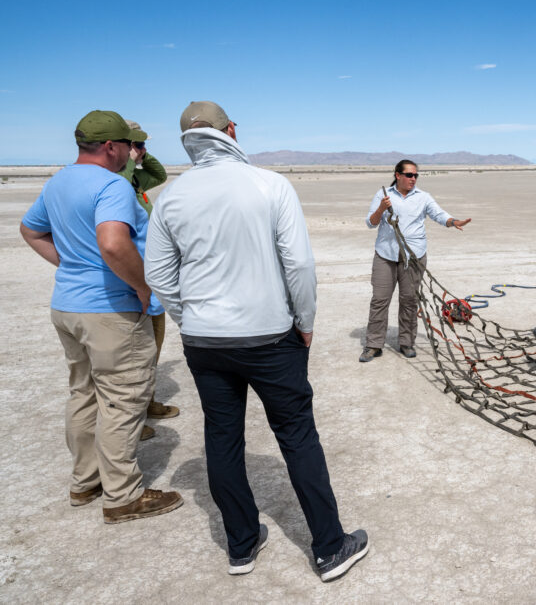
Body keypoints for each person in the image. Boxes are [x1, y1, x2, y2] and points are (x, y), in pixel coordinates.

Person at [145, 101, 367, 580]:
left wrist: (192, 319)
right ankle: (330, 548)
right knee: (297, 436)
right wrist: (304, 321)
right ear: (231, 130)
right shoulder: (269, 185)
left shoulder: (171, 197)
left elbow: (159, 274)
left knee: (222, 441)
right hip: (270, 338)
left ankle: (241, 546)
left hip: (206, 342)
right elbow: (300, 266)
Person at [19, 110, 183, 524]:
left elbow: (31, 230)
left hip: (68, 307)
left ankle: (85, 481)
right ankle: (123, 495)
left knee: (83, 392)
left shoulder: (58, 181)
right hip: (109, 311)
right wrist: (143, 287)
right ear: (111, 147)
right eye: (128, 144)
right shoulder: (111, 185)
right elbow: (113, 244)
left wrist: (71, 266)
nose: (132, 151)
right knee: (123, 399)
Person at [359, 160, 471, 362]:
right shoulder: (383, 195)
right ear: (397, 175)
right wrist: (381, 209)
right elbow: (370, 223)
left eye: (416, 176)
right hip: (386, 256)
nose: (413, 179)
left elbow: (439, 215)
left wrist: (454, 222)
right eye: (409, 175)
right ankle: (373, 345)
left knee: (409, 301)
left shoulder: (423, 197)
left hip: (414, 257)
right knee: (379, 300)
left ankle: (406, 343)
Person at [118, 120, 178, 430]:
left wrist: (141, 153)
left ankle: (148, 403)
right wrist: (128, 160)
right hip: (133, 284)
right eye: (138, 145)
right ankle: (132, 423)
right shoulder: (117, 183)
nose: (143, 151)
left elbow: (159, 175)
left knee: (152, 351)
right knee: (135, 358)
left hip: (150, 281)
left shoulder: (134, 182)